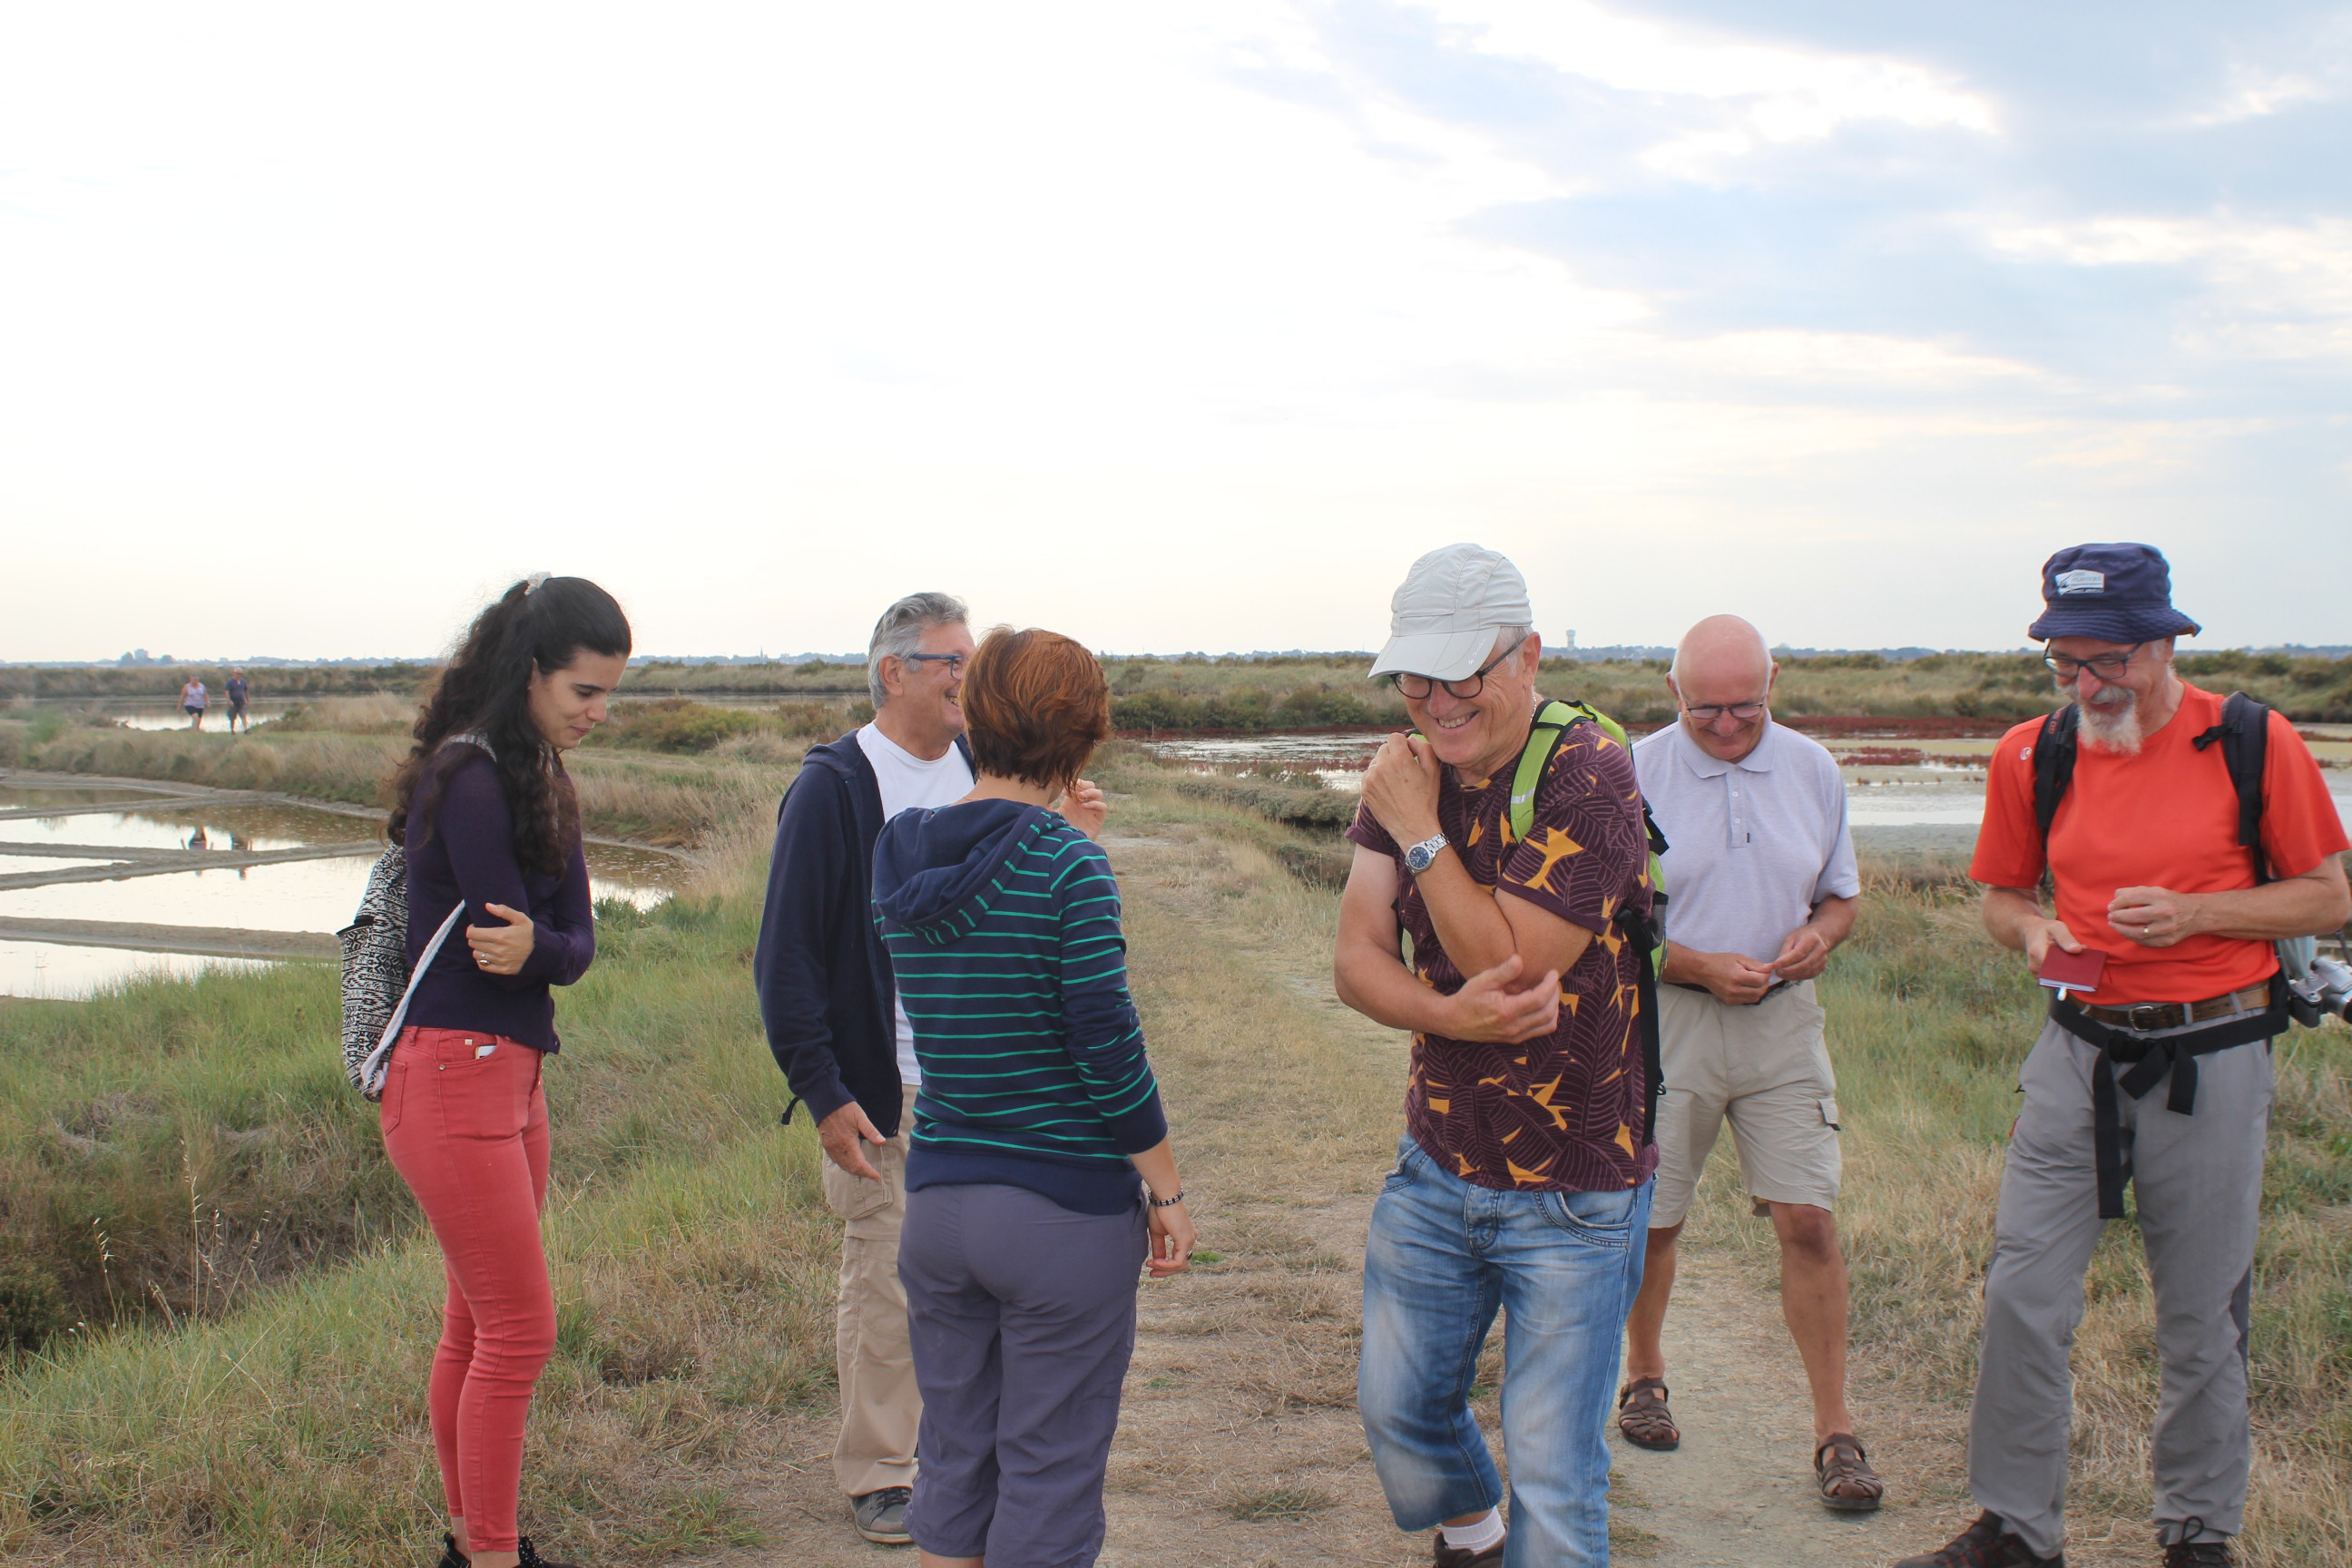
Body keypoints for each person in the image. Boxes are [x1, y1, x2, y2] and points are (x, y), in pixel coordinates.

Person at [1895, 544, 2350, 1568]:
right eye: (2066, 664)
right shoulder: (2032, 753)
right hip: (2078, 1053)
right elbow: (2002, 898)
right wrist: (2030, 936)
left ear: (2163, 644)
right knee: (2021, 1291)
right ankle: (2016, 1530)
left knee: (2200, 1311)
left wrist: (2198, 914)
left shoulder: (2251, 741)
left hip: (2215, 1054)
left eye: (2107, 663)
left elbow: (2330, 896)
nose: (2088, 685)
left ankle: (2197, 1534)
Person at [1334, 543, 1658, 1568]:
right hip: (1438, 1160)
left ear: (1527, 655)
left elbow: (1511, 969)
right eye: (1416, 675)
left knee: (1556, 1472)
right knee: (1397, 1411)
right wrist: (1455, 1021)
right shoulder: (1407, 770)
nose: (1435, 700)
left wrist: (1419, 833)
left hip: (1576, 1187)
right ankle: (1472, 1535)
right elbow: (1354, 958)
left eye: (1461, 672)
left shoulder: (1591, 772)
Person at [871, 625, 1195, 1568]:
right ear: (1084, 741)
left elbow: (979, 931)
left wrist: (1067, 840)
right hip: (1060, 1217)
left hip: (937, 1207)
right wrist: (1166, 1189)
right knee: (1048, 1475)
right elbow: (1107, 1049)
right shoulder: (1069, 867)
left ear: (972, 714)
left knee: (955, 1460)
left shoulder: (900, 847)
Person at [378, 574, 632, 1568]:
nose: (598, 714)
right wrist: (548, 947)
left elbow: (572, 940)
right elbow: (504, 943)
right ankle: (491, 1555)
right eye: (584, 693)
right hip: (452, 1076)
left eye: (611, 694)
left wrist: (551, 948)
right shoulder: (473, 778)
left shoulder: (537, 773)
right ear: (530, 674)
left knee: (478, 1323)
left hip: (510, 1076)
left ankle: (471, 1541)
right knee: (518, 1332)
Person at [1621, 615, 1880, 1510]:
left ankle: (1836, 1432)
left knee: (1808, 1220)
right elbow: (1603, 926)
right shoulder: (1630, 772)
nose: (1728, 727)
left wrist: (1818, 938)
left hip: (1783, 1026)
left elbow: (1841, 897)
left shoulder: (1811, 767)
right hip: (1669, 1025)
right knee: (1654, 1220)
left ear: (1776, 681)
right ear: (1672, 693)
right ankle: (1644, 1375)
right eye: (1706, 712)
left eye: (1747, 708)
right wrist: (1691, 964)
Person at [753, 592, 978, 1546]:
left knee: (969, 1279)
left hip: (980, 1078)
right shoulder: (837, 787)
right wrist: (824, 1091)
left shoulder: (981, 769)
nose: (970, 678)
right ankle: (883, 1472)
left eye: (973, 659)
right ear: (896, 672)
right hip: (887, 1085)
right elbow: (786, 957)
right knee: (886, 1279)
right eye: (952, 663)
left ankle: (959, 1461)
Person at [225, 668, 250, 732]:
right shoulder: (230, 682)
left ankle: (246, 729)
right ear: (234, 674)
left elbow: (246, 691)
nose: (239, 675)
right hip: (233, 702)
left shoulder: (243, 682)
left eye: (240, 674)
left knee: (244, 715)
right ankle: (232, 730)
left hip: (242, 702)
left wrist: (247, 700)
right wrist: (229, 700)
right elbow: (226, 692)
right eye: (238, 673)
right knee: (232, 717)